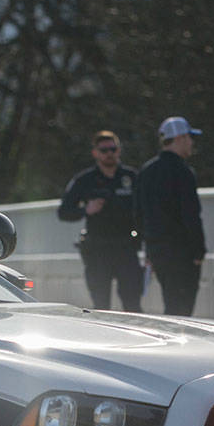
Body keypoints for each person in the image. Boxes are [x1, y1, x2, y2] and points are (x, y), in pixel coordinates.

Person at [57, 131, 142, 311]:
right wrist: (85, 210)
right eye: (104, 150)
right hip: (98, 250)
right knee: (101, 306)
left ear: (119, 151)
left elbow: (146, 211)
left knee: (133, 304)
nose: (109, 153)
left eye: (113, 149)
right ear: (95, 153)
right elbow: (64, 212)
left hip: (126, 248)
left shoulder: (131, 177)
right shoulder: (85, 180)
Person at [134, 116, 206, 316]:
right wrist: (198, 251)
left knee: (171, 303)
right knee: (183, 310)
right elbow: (191, 214)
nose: (191, 143)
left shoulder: (147, 171)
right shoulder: (183, 172)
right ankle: (180, 347)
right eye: (189, 138)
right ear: (180, 138)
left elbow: (139, 215)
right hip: (182, 253)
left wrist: (148, 248)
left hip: (158, 252)